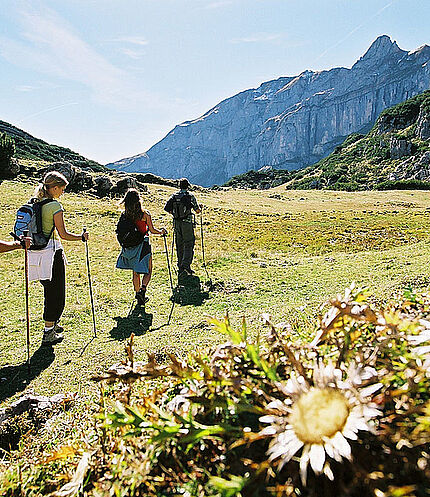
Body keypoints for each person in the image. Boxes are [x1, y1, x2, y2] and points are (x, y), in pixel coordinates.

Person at [28, 171, 89, 345]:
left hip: (35, 253)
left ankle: (52, 324)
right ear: (54, 188)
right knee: (56, 293)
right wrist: (81, 237)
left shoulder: (35, 203)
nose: (62, 192)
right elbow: (63, 234)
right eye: (61, 189)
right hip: (51, 253)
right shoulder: (54, 206)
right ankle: (49, 332)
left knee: (48, 290)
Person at [116, 189, 167, 305]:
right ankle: (143, 290)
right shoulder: (145, 214)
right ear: (139, 200)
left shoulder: (125, 215)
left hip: (129, 247)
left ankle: (137, 292)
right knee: (148, 270)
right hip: (143, 245)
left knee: (135, 273)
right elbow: (152, 230)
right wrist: (161, 232)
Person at [164, 178, 201, 275]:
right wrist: (200, 208)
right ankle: (186, 266)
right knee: (188, 243)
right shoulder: (190, 196)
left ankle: (180, 265)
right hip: (187, 223)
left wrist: (175, 214)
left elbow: (167, 208)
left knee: (179, 244)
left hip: (176, 223)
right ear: (187, 186)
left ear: (179, 186)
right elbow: (197, 211)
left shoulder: (174, 196)